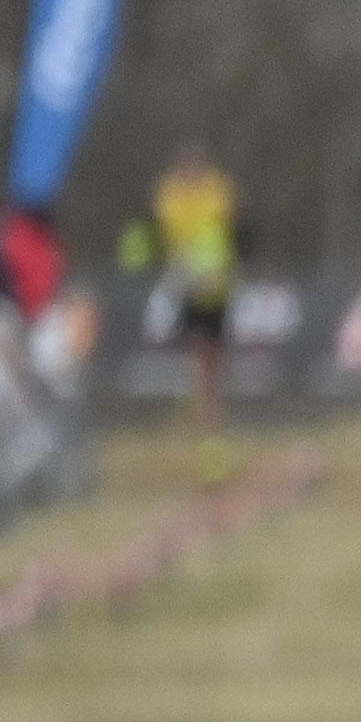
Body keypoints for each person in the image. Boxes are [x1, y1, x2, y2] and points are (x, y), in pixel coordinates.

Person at [131, 142, 242, 481]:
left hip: (217, 290)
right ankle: (207, 437)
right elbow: (162, 230)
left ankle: (208, 424)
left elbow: (229, 224)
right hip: (190, 291)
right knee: (200, 363)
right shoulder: (170, 195)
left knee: (213, 368)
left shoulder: (216, 191)